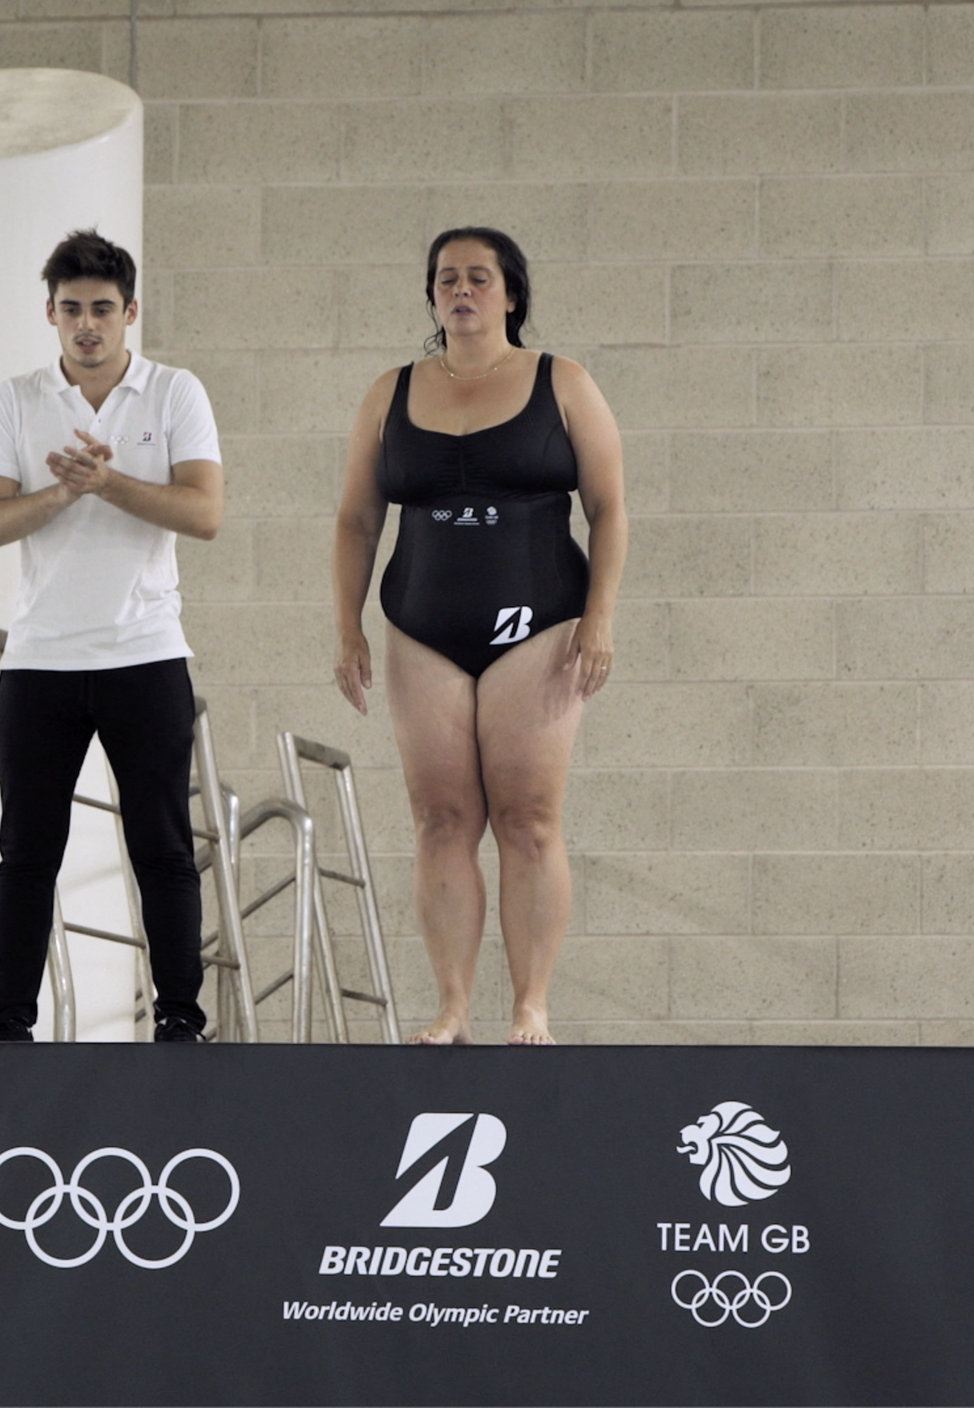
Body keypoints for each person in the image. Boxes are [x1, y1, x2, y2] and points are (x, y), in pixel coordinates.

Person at [330, 227, 629, 1046]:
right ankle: (454, 1006)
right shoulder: (389, 393)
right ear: (432, 296)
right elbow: (357, 519)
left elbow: (609, 508)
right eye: (447, 279)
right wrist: (347, 627)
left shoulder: (562, 382)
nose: (461, 290)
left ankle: (531, 1004)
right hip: (422, 625)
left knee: (528, 819)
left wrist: (600, 615)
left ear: (511, 293)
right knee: (440, 818)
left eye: (479, 278)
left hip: (540, 623)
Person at [0, 229, 223, 1043]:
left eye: (102, 310)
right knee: (26, 851)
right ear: (50, 312)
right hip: (39, 659)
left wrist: (108, 482)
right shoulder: (14, 398)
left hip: (145, 653)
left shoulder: (174, 392)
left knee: (162, 845)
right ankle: (9, 1021)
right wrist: (64, 492)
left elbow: (205, 513)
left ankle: (179, 1015)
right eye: (72, 309)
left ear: (130, 313)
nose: (87, 325)